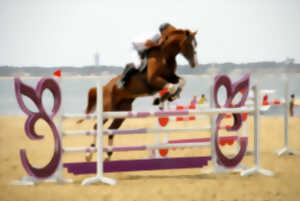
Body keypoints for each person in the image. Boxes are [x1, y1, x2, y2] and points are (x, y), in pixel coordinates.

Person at [117, 23, 171, 88]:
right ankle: (122, 80)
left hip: (144, 49)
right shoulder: (157, 35)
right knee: (138, 65)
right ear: (164, 31)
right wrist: (157, 45)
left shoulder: (164, 38)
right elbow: (147, 43)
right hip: (135, 47)